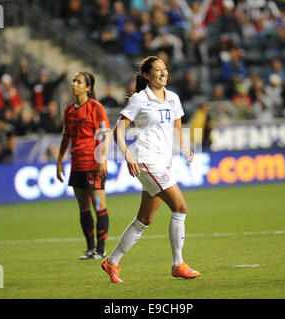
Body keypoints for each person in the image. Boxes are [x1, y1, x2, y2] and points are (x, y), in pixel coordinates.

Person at [101, 56, 200, 283]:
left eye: (165, 68)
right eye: (157, 70)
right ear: (147, 75)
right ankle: (178, 264)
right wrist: (128, 157)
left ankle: (111, 262)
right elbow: (118, 131)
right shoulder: (139, 99)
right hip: (146, 160)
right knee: (180, 207)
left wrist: (185, 149)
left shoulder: (173, 98)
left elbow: (176, 128)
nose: (163, 72)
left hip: (164, 162)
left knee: (144, 218)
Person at [56, 71, 111, 260]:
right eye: (73, 81)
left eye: (79, 82)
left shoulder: (96, 108)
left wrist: (101, 160)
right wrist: (59, 160)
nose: (74, 84)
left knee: (98, 205)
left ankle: (101, 249)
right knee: (83, 208)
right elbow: (66, 136)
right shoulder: (68, 111)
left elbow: (104, 135)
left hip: (93, 163)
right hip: (76, 164)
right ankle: (90, 249)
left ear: (88, 87)